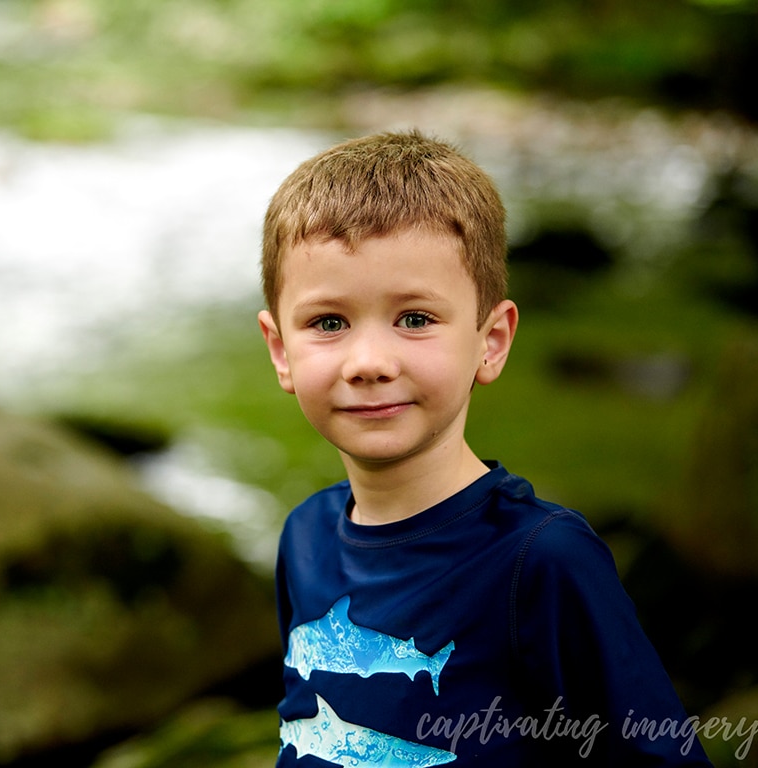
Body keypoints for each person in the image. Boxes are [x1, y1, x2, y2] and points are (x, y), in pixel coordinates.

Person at [257, 131, 711, 766]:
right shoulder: (304, 538)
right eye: (328, 323)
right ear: (281, 350)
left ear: (491, 341)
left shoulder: (541, 563)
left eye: (415, 319)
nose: (368, 362)